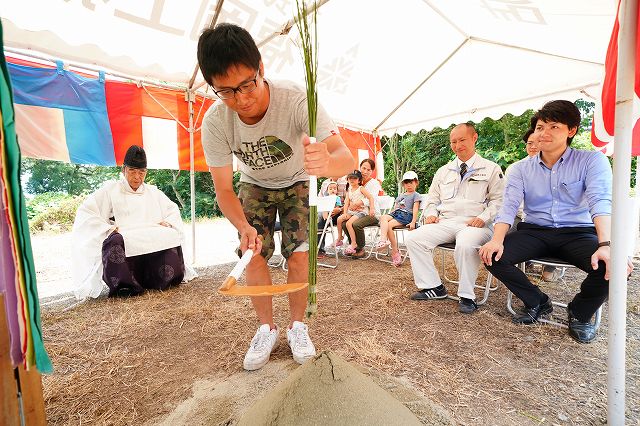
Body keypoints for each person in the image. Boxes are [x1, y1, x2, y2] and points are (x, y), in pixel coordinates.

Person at [197, 24, 353, 370]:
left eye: (247, 84)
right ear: (213, 87)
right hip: (254, 183)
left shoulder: (297, 99)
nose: (241, 99)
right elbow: (224, 188)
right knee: (253, 253)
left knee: (299, 253)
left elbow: (347, 157)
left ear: (261, 69)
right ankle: (266, 327)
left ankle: (298, 326)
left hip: (298, 179)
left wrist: (327, 162)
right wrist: (242, 225)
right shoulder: (215, 121)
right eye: (226, 91)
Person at [479, 100, 631, 343]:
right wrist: (496, 240)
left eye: (554, 127)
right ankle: (538, 301)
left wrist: (607, 245)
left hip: (578, 232)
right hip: (535, 231)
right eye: (540, 127)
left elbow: (600, 202)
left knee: (613, 267)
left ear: (571, 131)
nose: (544, 133)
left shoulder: (591, 161)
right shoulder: (519, 169)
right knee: (493, 255)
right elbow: (507, 207)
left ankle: (580, 313)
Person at [72, 145, 196, 299]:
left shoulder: (153, 192)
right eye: (132, 171)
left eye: (141, 172)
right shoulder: (109, 190)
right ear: (124, 170)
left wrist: (169, 222)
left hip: (149, 233)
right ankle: (125, 286)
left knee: (170, 234)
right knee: (114, 241)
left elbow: (172, 210)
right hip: (125, 235)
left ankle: (162, 280)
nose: (137, 177)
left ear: (146, 172)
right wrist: (107, 228)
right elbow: (86, 212)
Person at [406, 123, 504, 314]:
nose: (457, 145)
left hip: (476, 224)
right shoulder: (444, 171)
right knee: (414, 239)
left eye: (462, 140)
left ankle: (467, 295)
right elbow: (432, 198)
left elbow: (499, 201)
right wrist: (431, 213)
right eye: (453, 141)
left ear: (474, 138)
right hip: (446, 222)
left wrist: (483, 217)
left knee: (466, 243)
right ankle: (433, 287)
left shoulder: (491, 168)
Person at [507, 129, 563, 282]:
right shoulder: (516, 168)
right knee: (504, 232)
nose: (532, 146)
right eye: (529, 143)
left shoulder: (558, 168)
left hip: (548, 219)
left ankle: (550, 265)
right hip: (519, 215)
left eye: (537, 143)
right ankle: (522, 264)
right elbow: (510, 202)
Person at [375, 171, 421, 267]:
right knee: (383, 217)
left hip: (406, 215)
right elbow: (396, 207)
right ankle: (383, 240)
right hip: (397, 213)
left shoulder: (416, 195)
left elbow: (415, 209)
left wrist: (413, 222)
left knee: (389, 225)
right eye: (406, 183)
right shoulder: (401, 195)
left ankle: (395, 251)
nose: (409, 185)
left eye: (411, 182)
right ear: (403, 184)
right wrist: (391, 214)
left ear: (416, 183)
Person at [341, 158, 384, 259]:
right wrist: (352, 205)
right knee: (344, 223)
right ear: (360, 168)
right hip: (356, 212)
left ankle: (360, 248)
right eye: (363, 168)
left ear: (372, 171)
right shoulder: (356, 180)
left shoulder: (374, 183)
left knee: (356, 224)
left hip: (371, 213)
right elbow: (349, 197)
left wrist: (357, 203)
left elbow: (371, 198)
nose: (365, 171)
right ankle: (353, 245)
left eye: (369, 170)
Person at [336, 170, 376, 255]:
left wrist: (372, 208)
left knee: (349, 223)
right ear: (347, 179)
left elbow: (371, 197)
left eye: (354, 178)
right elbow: (346, 202)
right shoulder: (349, 190)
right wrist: (345, 213)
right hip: (352, 212)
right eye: (350, 178)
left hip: (362, 212)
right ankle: (340, 237)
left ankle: (354, 243)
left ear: (359, 180)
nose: (352, 180)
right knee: (340, 219)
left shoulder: (361, 188)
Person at [317, 180, 342, 258]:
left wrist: (338, 209)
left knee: (322, 217)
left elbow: (338, 206)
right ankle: (318, 248)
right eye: (330, 189)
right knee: (319, 217)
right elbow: (321, 203)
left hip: (336, 213)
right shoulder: (326, 197)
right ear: (327, 190)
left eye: (334, 189)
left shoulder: (337, 198)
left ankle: (319, 248)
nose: (332, 190)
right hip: (326, 212)